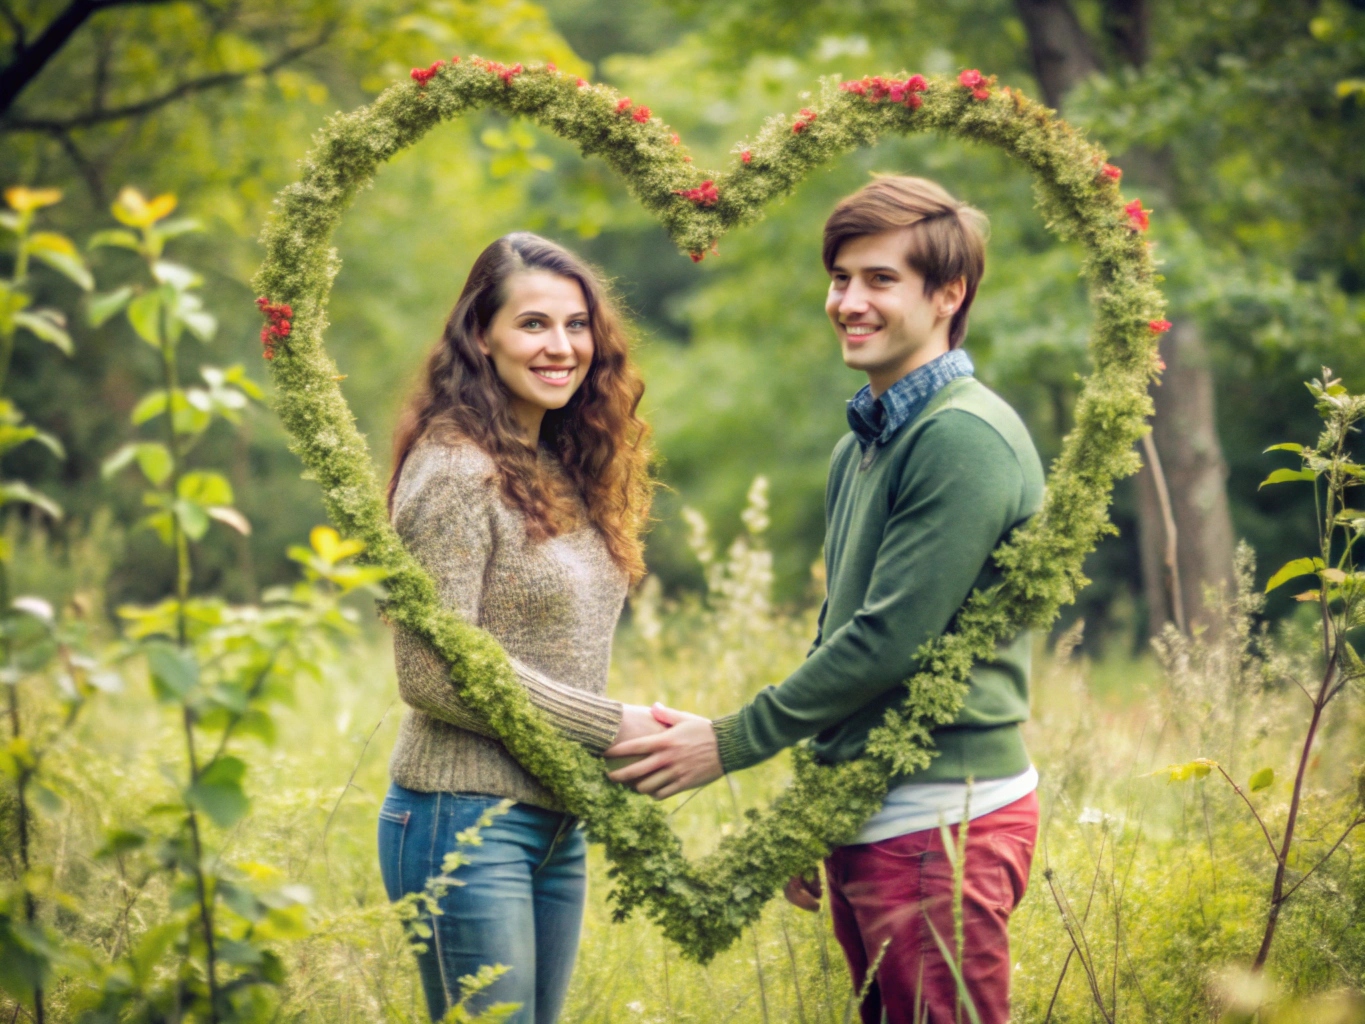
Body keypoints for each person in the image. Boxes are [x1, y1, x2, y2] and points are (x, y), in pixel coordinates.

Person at [606, 176, 1044, 1024]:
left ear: (948, 294)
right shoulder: (869, 441)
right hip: (870, 814)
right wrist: (816, 805)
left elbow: (888, 642)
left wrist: (730, 742)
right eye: (841, 278)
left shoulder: (960, 435)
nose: (848, 301)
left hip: (939, 820)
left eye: (880, 279)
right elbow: (835, 634)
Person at [378, 232, 663, 1024]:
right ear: (481, 335)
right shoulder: (454, 471)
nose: (561, 347)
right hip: (459, 819)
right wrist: (609, 727)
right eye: (533, 324)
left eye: (576, 326)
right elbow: (430, 672)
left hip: (549, 822)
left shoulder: (555, 467)